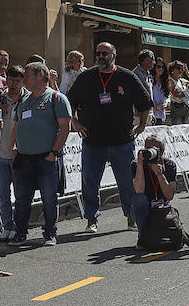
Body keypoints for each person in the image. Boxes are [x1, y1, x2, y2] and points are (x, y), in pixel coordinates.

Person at [65, 41, 152, 233]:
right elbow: (67, 103)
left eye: (105, 53)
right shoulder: (85, 77)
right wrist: (75, 123)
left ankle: (131, 216)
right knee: (90, 182)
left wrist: (142, 126)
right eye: (98, 53)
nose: (101, 57)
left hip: (122, 141)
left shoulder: (127, 77)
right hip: (93, 141)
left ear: (114, 55)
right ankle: (91, 219)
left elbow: (145, 103)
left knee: (126, 182)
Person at [10, 61, 71, 245]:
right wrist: (14, 146)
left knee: (49, 197)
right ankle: (20, 232)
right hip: (23, 158)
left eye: (27, 75)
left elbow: (65, 128)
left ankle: (50, 233)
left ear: (40, 76)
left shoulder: (56, 98)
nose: (24, 79)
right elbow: (18, 124)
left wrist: (53, 153)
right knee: (21, 198)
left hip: (46, 158)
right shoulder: (23, 100)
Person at [0, 64, 28, 241]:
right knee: (2, 195)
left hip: (19, 155)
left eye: (17, 81)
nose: (13, 84)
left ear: (23, 82)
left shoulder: (28, 98)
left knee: (21, 194)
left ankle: (20, 228)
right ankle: (7, 227)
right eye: (10, 80)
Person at [131, 134, 179, 247]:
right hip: (145, 203)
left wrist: (159, 174)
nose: (150, 152)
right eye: (148, 149)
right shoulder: (135, 164)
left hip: (163, 203)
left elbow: (170, 195)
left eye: (154, 149)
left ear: (161, 152)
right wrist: (140, 165)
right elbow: (139, 190)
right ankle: (142, 238)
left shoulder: (169, 165)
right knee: (139, 199)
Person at [166, 61, 189, 125]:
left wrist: (187, 72)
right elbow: (176, 94)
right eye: (178, 68)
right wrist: (186, 92)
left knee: (187, 129)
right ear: (172, 69)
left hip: (186, 108)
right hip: (177, 108)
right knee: (177, 129)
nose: (180, 70)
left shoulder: (181, 80)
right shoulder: (170, 80)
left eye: (182, 69)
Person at [149, 58, 169, 125]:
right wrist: (154, 105)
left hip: (161, 114)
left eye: (162, 67)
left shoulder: (165, 80)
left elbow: (168, 95)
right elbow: (147, 94)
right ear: (154, 67)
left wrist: (166, 103)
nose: (161, 69)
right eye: (158, 67)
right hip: (151, 114)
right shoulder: (150, 78)